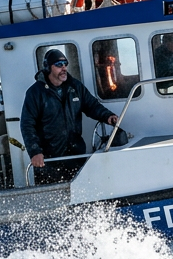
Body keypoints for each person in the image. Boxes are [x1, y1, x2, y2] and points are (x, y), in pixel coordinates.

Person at [21, 49, 119, 184]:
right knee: (53, 196)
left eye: (65, 63)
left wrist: (107, 116)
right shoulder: (35, 93)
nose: (64, 68)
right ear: (48, 67)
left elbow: (91, 106)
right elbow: (27, 125)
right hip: (49, 160)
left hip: (75, 154)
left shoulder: (75, 87)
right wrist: (35, 152)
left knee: (81, 190)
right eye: (59, 64)